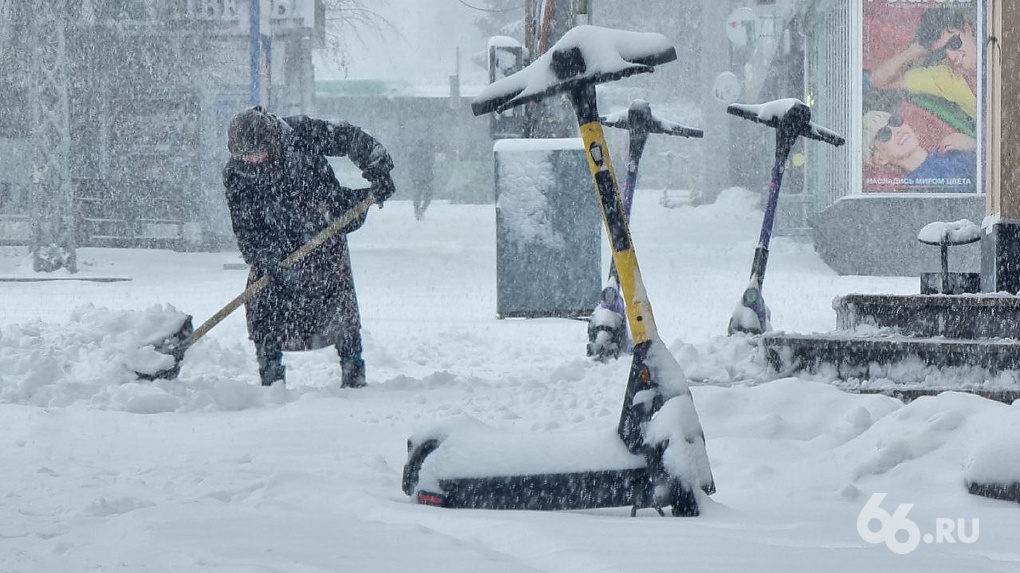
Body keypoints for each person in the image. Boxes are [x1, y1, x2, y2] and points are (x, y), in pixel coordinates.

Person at [222, 106, 396, 388]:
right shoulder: (237, 173)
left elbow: (350, 137)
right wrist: (264, 259)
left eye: (256, 153)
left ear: (271, 141)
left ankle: (353, 372)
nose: (251, 161)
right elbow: (245, 225)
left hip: (323, 226)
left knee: (339, 307)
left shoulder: (301, 133)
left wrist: (378, 170)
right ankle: (271, 378)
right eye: (244, 156)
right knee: (264, 310)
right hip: (275, 243)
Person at [869, 6, 978, 120]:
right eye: (941, 53)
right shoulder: (944, 77)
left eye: (954, 43)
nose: (951, 56)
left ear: (967, 30)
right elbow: (877, 81)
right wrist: (915, 50)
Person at [862, 110, 976, 190]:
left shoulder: (952, 146)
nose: (897, 130)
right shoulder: (918, 188)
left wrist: (973, 145)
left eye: (894, 121)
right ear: (880, 158)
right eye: (884, 133)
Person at [409, 138, 435, 220]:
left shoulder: (413, 153)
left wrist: (412, 175)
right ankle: (421, 210)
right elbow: (431, 163)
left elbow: (410, 165)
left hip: (417, 177)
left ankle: (417, 211)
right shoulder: (428, 153)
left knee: (417, 196)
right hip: (427, 177)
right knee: (428, 195)